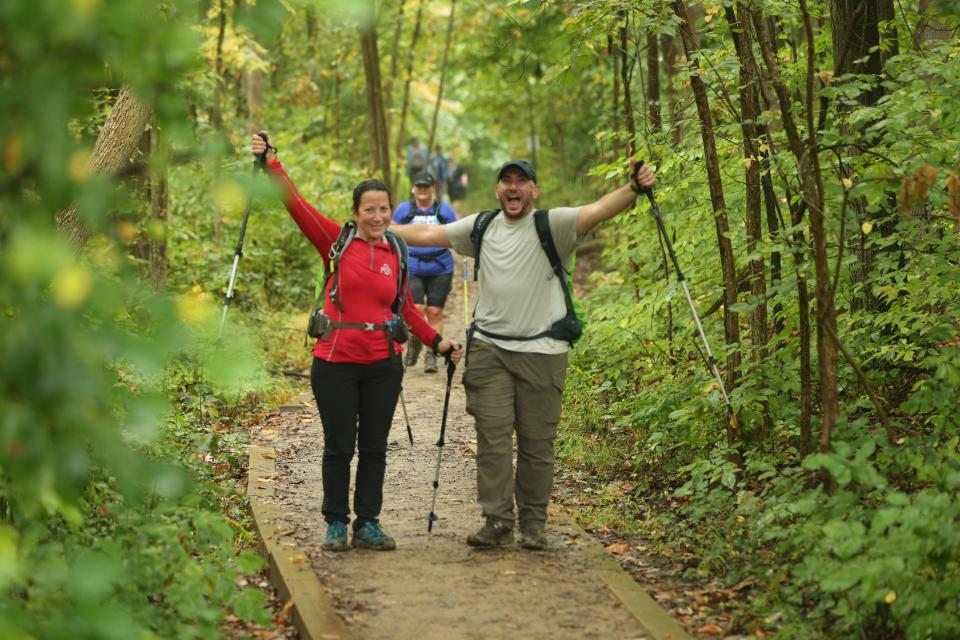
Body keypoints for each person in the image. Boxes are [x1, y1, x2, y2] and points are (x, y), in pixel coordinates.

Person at [390, 158, 655, 551]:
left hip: (543, 351)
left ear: (534, 190)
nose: (513, 188)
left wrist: (633, 187)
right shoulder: (481, 226)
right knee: (492, 441)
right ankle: (497, 520)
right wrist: (377, 229)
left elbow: (599, 209)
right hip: (489, 351)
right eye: (506, 182)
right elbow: (428, 236)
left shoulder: (556, 225)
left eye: (522, 182)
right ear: (498, 190)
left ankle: (533, 524)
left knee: (536, 444)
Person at [250, 132, 462, 553]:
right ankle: (335, 523)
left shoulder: (397, 254)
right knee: (339, 445)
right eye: (370, 209)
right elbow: (297, 205)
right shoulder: (336, 241)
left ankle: (367, 522)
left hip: (383, 363)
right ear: (356, 212)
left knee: (375, 447)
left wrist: (438, 343)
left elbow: (406, 311)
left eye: (384, 208)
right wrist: (272, 162)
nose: (378, 215)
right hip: (335, 361)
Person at [392, 171, 458, 373]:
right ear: (413, 188)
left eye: (426, 186)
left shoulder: (443, 209)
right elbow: (390, 233)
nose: (422, 190)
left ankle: (432, 354)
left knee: (435, 312)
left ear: (432, 188)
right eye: (418, 186)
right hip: (412, 266)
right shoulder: (404, 209)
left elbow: (456, 232)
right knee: (417, 309)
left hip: (440, 266)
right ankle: (415, 342)